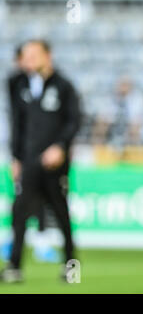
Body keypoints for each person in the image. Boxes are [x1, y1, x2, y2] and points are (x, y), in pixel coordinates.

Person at [0, 40, 81, 283]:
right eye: (26, 55)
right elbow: (17, 125)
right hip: (28, 163)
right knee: (20, 213)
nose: (29, 59)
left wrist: (60, 147)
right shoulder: (20, 84)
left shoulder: (64, 86)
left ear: (48, 55)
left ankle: (71, 267)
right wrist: (15, 157)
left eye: (34, 54)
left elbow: (74, 121)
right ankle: (14, 267)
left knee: (60, 214)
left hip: (55, 166)